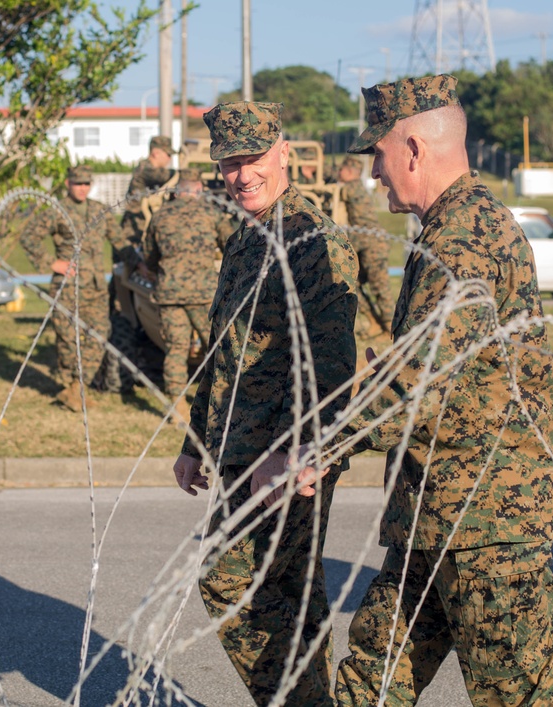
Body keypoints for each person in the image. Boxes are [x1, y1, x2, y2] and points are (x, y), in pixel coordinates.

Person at [295, 74, 553, 706]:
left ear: (415, 149)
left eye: (379, 153)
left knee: (520, 694)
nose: (373, 172)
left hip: (485, 523)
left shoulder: (465, 239)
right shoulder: (452, 229)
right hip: (436, 511)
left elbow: (417, 381)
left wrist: (319, 449)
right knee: (373, 673)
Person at [172, 101, 358, 706]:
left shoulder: (310, 240)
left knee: (237, 583)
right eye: (229, 163)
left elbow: (329, 364)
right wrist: (195, 441)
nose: (242, 174)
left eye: (253, 159)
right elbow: (221, 348)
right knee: (285, 593)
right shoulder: (246, 238)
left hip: (282, 460)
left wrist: (296, 452)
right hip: (240, 451)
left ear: (284, 154)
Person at [20, 164, 143, 412]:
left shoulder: (99, 210)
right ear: (68, 184)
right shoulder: (57, 210)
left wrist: (139, 264)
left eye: (86, 183)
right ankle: (72, 387)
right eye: (78, 183)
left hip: (96, 288)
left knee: (98, 336)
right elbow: (29, 236)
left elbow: (119, 241)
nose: (82, 188)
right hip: (67, 288)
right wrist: (51, 263)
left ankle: (79, 385)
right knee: (67, 339)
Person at [141, 167, 234, 421]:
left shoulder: (160, 216)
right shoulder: (210, 213)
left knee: (176, 348)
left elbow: (149, 257)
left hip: (169, 293)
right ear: (199, 189)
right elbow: (231, 244)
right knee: (214, 347)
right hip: (202, 293)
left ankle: (177, 405)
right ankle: (220, 400)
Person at [339, 154, 393, 338]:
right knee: (352, 283)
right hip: (364, 245)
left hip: (371, 245)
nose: (339, 173)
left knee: (380, 287)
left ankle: (390, 328)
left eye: (341, 170)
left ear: (348, 172)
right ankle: (374, 322)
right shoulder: (356, 188)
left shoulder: (351, 189)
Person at [120, 135, 175, 245]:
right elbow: (164, 176)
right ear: (155, 153)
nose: (169, 159)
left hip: (145, 225)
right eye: (168, 154)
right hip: (135, 229)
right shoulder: (145, 169)